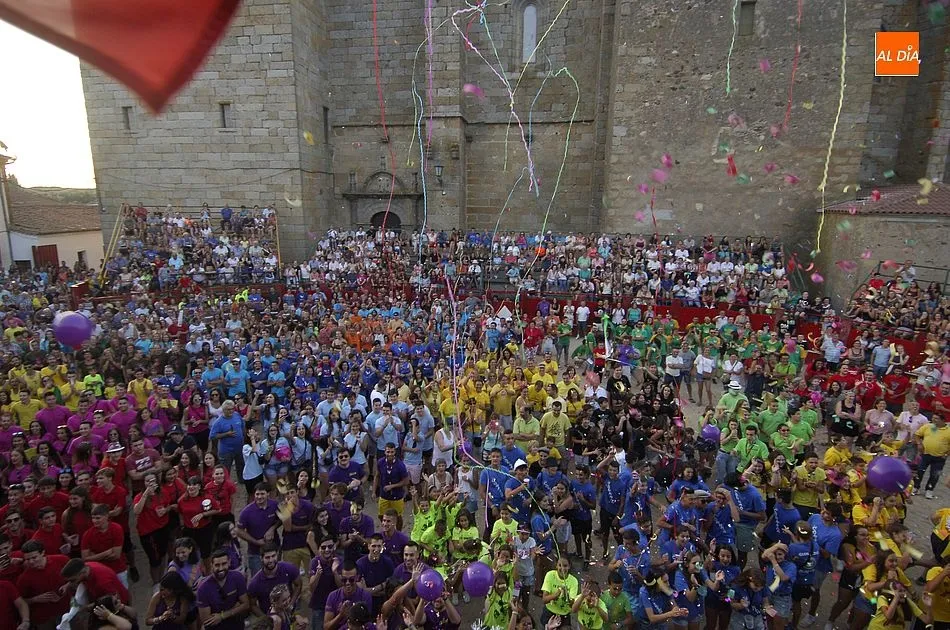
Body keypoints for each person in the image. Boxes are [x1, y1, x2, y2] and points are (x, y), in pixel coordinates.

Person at [57, 558, 130, 630]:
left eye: (72, 580)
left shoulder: (102, 582)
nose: (72, 583)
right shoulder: (87, 567)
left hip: (118, 607)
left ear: (82, 573)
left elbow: (113, 601)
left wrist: (85, 607)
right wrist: (67, 585)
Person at [16, 540, 71, 630]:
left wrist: (67, 585)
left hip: (67, 611)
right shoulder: (24, 578)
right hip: (44, 620)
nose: (31, 562)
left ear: (43, 553)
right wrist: (35, 599)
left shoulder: (62, 560)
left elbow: (78, 576)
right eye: (28, 559)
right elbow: (20, 602)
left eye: (34, 557)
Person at [195, 549, 250, 629]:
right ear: (211, 565)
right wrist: (236, 607)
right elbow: (207, 620)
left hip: (237, 625)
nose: (221, 568)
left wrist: (222, 616)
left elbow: (246, 605)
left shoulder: (238, 577)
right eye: (217, 565)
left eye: (224, 564)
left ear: (229, 562)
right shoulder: (203, 588)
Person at [247, 542, 302, 618]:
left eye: (273, 556)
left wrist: (291, 603)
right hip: (271, 618)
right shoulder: (255, 583)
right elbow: (252, 605)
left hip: (290, 614)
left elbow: (298, 584)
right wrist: (266, 619)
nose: (271, 560)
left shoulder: (289, 568)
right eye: (267, 557)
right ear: (261, 558)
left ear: (277, 555)